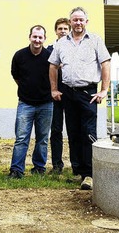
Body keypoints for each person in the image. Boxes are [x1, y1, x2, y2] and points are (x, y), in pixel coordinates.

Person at [49, 7, 111, 191]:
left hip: (88, 94)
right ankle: (78, 171)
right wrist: (54, 89)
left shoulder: (95, 40)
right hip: (68, 92)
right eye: (74, 20)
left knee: (88, 133)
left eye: (81, 20)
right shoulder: (62, 43)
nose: (78, 23)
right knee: (73, 133)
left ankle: (89, 174)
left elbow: (105, 63)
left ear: (86, 22)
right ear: (70, 22)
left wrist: (104, 90)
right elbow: (52, 66)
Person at [7, 25, 53, 179]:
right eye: (35, 37)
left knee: (42, 139)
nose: (37, 40)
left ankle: (39, 168)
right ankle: (16, 170)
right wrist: (27, 89)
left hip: (46, 104)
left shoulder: (50, 56)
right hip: (25, 103)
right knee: (21, 138)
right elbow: (16, 76)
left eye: (40, 37)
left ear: (44, 39)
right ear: (30, 37)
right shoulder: (19, 56)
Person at [47, 18, 73, 175]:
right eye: (60, 28)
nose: (63, 31)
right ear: (55, 31)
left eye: (65, 28)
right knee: (55, 130)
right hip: (55, 94)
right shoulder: (50, 49)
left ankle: (76, 164)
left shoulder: (75, 47)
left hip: (71, 93)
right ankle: (57, 165)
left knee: (73, 130)